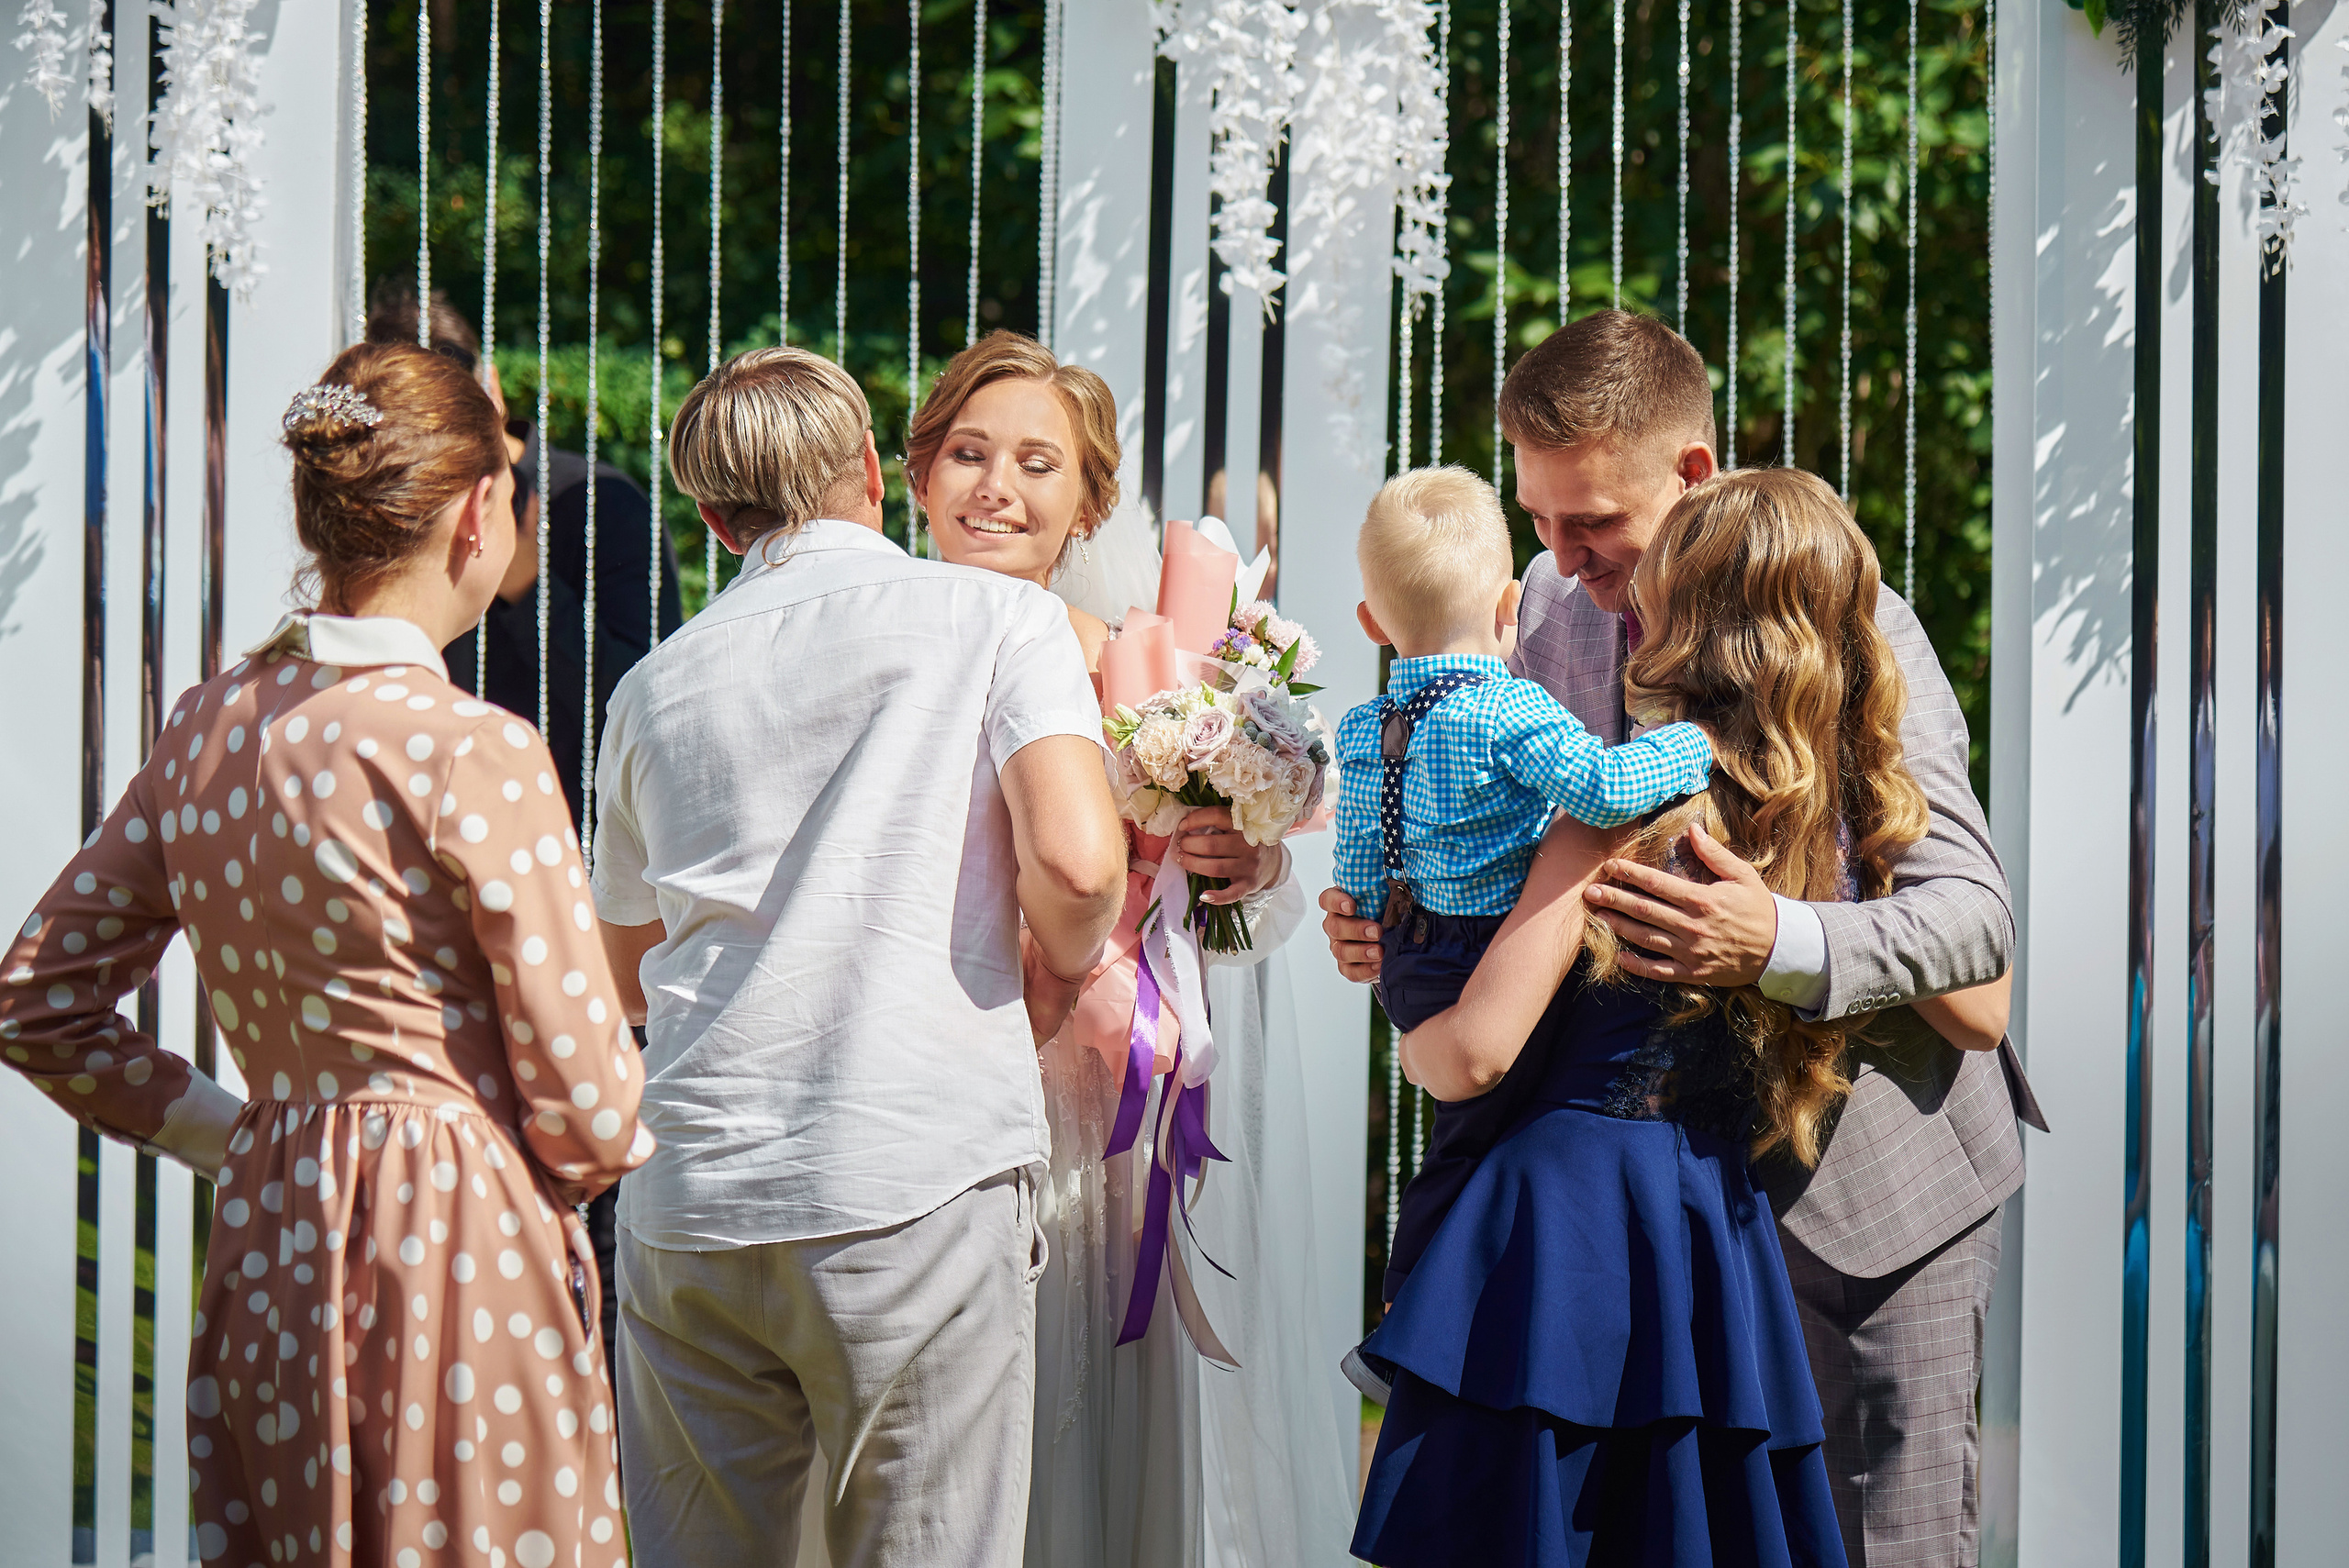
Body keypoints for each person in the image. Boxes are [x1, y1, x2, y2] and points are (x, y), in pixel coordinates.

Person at [1325, 311, 2044, 1567]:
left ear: (1694, 475)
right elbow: (1491, 841)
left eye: (1593, 522)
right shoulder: (1533, 615)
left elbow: (1974, 919)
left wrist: (1775, 938)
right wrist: (1393, 917)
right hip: (1647, 1205)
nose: (1562, 557)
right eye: (1539, 520)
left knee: (1885, 1543)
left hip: (1865, 1198)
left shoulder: (1852, 621)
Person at [0, 342, 652, 1565]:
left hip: (271, 1237)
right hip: (463, 1247)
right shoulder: (477, 750)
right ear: (475, 515)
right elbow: (596, 1109)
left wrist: (232, 1129)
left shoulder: (211, 725)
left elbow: (39, 999)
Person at [589, 343, 1129, 1567]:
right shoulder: (1000, 614)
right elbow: (1085, 865)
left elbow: (623, 971)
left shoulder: (653, 689)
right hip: (913, 1177)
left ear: (716, 517)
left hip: (690, 1196)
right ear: (877, 473)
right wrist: (1047, 976)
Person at [1358, 466, 1920, 1564]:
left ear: (1674, 624)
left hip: (1563, 1233)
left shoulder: (1615, 811)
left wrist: (1406, 1005)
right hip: (1708, 1231)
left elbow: (1472, 1050)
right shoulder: (1829, 814)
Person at [905, 329, 1355, 1566]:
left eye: (1037, 463)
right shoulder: (884, 644)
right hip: (917, 1096)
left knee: (1076, 1433)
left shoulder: (1141, 671)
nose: (997, 484)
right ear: (918, 473)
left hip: (1091, 1127)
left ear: (1088, 500)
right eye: (969, 452)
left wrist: (1245, 866)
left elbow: (1228, 928)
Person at [363, 281, 685, 828]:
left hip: (582, 853)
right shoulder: (394, 507)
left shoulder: (603, 505)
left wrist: (531, 592)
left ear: (489, 387)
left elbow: (652, 710)